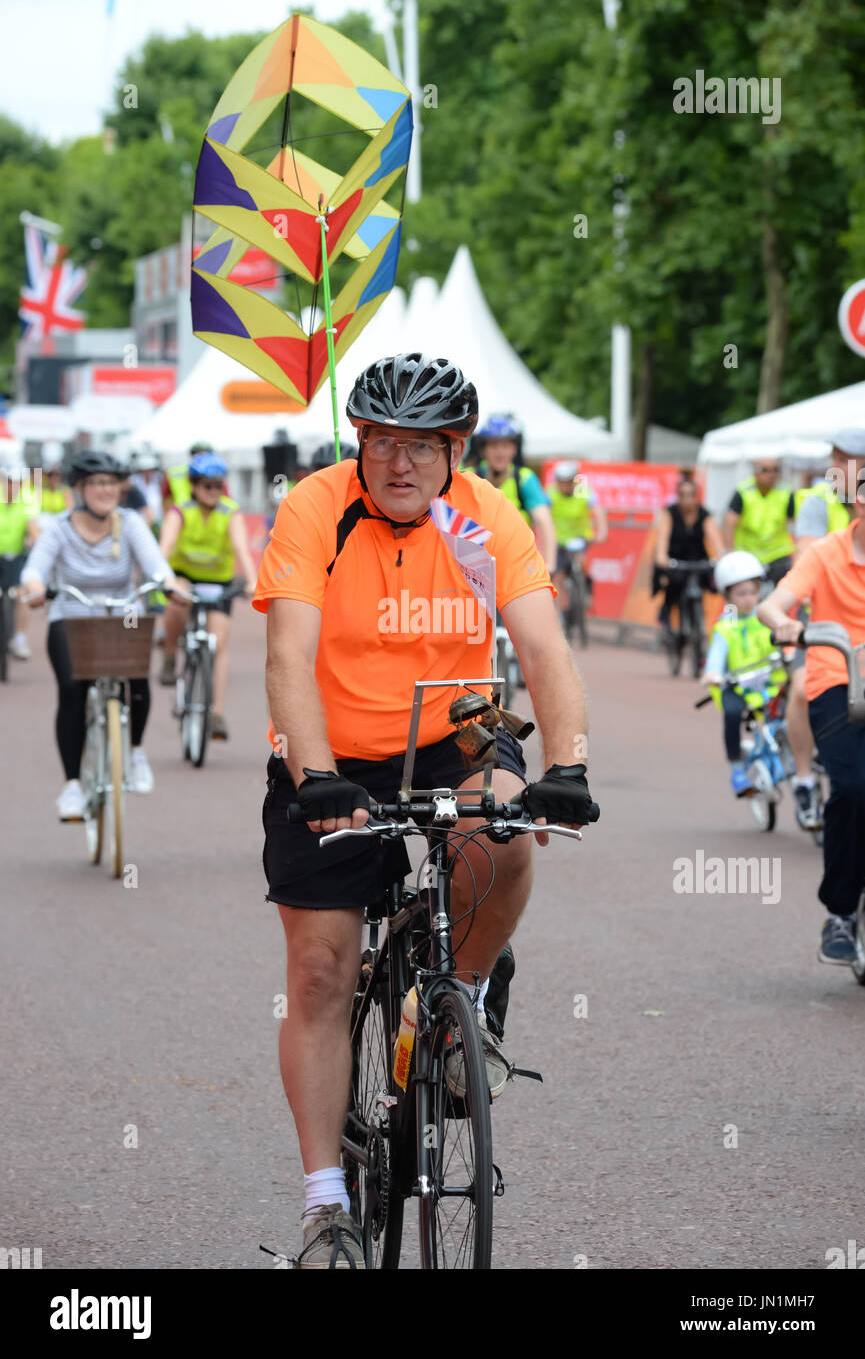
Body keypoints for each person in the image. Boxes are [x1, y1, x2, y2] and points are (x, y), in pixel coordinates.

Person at [253, 353, 599, 1268]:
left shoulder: (486, 515)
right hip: (332, 750)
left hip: (452, 729)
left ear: (455, 451)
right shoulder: (315, 508)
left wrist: (568, 762)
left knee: (508, 829)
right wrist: (315, 775)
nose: (396, 462)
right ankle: (325, 1207)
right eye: (378, 442)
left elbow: (542, 646)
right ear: (357, 442)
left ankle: (464, 1005)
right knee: (322, 972)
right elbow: (287, 652)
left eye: (421, 445)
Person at [18, 451, 178, 819]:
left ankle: (135, 753)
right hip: (71, 616)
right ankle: (72, 786)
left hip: (122, 616)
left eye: (111, 483)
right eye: (97, 483)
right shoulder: (58, 527)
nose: (106, 490)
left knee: (137, 678)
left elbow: (156, 565)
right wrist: (34, 587)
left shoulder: (131, 522)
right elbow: (35, 569)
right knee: (72, 692)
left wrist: (168, 584)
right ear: (80, 488)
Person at [758, 480, 865, 965]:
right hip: (839, 678)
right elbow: (773, 603)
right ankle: (840, 912)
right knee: (853, 788)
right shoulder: (826, 553)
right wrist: (785, 621)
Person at [783, 430, 865, 830]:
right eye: (834, 458)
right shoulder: (818, 503)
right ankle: (802, 781)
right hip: (824, 628)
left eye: (844, 460)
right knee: (801, 688)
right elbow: (805, 560)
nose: (835, 468)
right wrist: (789, 623)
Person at [158, 452, 257, 741]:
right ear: (193, 485)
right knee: (177, 598)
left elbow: (241, 547)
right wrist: (161, 575)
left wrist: (251, 580)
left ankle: (216, 713)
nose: (213, 491)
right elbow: (166, 546)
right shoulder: (180, 511)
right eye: (206, 486)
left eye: (217, 485)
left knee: (219, 642)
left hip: (219, 583)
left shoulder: (230, 511)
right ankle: (169, 654)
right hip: (185, 576)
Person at [701, 551, 787, 797]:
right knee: (732, 713)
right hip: (737, 685)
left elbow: (783, 638)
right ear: (727, 595)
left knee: (789, 713)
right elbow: (717, 654)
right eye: (741, 594)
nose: (749, 599)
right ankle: (737, 768)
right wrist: (714, 674)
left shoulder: (766, 615)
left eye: (753, 592)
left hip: (769, 681)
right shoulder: (726, 625)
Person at [465, 414, 557, 572]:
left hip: (517, 563)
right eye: (494, 446)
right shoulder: (468, 477)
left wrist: (550, 564)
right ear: (483, 450)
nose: (500, 452)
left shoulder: (524, 478)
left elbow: (544, 520)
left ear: (514, 449)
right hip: (475, 563)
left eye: (506, 446)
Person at [654, 475, 724, 635]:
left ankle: (699, 627)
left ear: (696, 496)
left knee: (711, 582)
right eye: (683, 495)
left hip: (698, 560)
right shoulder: (669, 513)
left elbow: (714, 537)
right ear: (678, 496)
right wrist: (661, 555)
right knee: (673, 584)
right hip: (675, 560)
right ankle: (665, 610)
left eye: (691, 495)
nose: (687, 500)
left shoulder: (704, 514)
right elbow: (663, 537)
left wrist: (721, 554)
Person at [722, 456, 795, 584]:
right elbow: (729, 522)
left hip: (778, 555)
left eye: (775, 470)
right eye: (765, 470)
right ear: (755, 472)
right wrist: (730, 554)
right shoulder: (743, 491)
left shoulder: (786, 492)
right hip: (748, 555)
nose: (771, 474)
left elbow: (796, 523)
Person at [549, 461, 607, 614]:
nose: (564, 486)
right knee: (558, 575)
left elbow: (598, 512)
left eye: (568, 482)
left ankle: (585, 587)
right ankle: (558, 614)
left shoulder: (584, 492)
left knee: (581, 563)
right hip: (559, 540)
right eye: (561, 482)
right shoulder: (550, 493)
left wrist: (601, 531)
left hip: (580, 537)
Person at [0, 461, 41, 661]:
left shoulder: (28, 499)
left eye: (16, 482)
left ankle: (20, 638)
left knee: (23, 593)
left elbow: (34, 529)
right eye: (8, 481)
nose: (12, 487)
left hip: (16, 555)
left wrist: (36, 543)